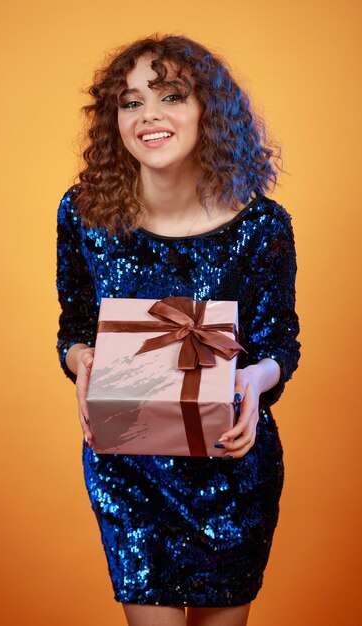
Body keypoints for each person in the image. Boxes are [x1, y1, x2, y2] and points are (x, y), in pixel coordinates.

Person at [56, 33, 301, 626]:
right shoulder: (85, 214)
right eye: (131, 101)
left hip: (229, 467)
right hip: (129, 466)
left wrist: (252, 383)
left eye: (171, 96)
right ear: (114, 120)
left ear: (206, 113)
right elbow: (75, 325)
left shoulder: (262, 224)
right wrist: (81, 359)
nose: (150, 117)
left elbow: (278, 345)